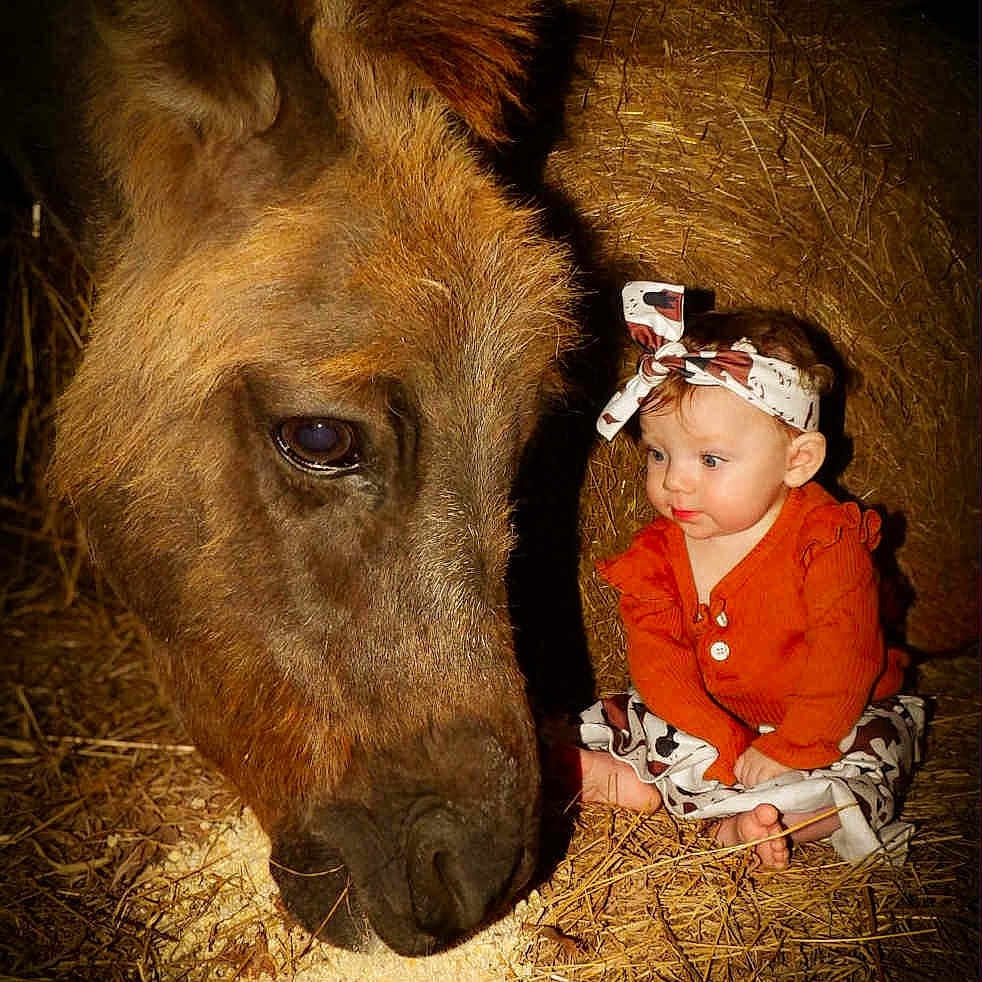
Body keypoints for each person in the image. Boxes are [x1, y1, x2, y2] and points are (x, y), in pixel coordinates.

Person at [557, 282, 925, 870]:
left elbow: (846, 655)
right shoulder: (655, 553)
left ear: (797, 460)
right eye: (658, 454)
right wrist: (724, 739)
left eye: (709, 459)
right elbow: (660, 669)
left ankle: (783, 822)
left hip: (833, 712)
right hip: (710, 712)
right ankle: (597, 772)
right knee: (621, 716)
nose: (675, 480)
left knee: (874, 754)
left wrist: (795, 745)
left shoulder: (828, 541)